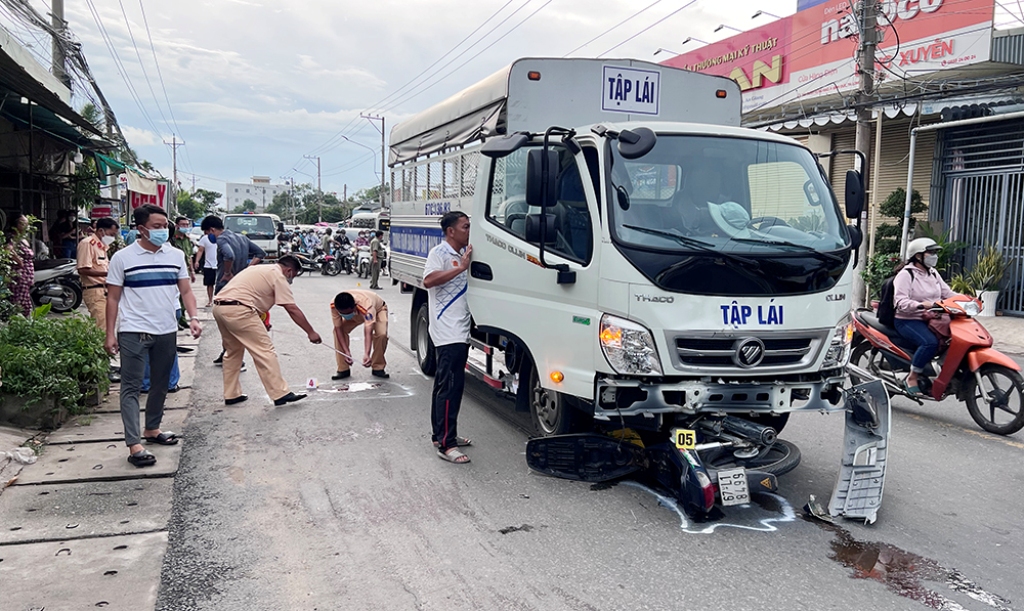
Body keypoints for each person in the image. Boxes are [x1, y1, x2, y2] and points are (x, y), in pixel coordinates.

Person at [105, 204, 202, 468]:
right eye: (157, 227)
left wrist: (193, 318)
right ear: (141, 229)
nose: (163, 231)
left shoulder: (174, 256)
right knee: (132, 387)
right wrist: (109, 333)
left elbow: (187, 291)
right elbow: (113, 298)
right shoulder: (123, 258)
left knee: (161, 383)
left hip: (166, 330)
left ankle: (152, 429)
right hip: (133, 331)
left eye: (165, 227)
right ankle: (134, 443)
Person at [212, 255, 322, 406]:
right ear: (289, 270)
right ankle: (280, 393)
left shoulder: (260, 269)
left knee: (233, 351)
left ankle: (231, 394)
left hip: (219, 307)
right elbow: (291, 308)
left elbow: (250, 294)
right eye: (293, 276)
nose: (291, 280)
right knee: (264, 351)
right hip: (240, 310)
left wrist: (261, 321)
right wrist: (311, 332)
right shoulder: (278, 276)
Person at [423, 211, 474, 464]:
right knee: (451, 387)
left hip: (460, 329)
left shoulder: (463, 253)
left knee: (444, 385)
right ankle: (447, 445)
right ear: (451, 231)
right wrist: (461, 268)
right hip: (448, 331)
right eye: (465, 227)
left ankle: (440, 435)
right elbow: (429, 280)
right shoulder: (440, 253)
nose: (469, 230)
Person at [894, 237, 959, 393]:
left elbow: (947, 293)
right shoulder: (906, 275)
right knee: (930, 343)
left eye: (935, 252)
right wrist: (921, 305)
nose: (934, 256)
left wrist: (965, 300)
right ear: (918, 256)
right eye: (930, 252)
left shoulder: (933, 273)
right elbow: (900, 301)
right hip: (908, 319)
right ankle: (912, 377)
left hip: (932, 318)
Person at [201, 215, 265, 366]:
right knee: (231, 322)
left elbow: (229, 254)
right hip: (241, 285)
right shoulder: (241, 238)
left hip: (226, 286)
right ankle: (227, 352)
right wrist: (248, 269)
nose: (208, 237)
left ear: (211, 230)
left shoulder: (222, 239)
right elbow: (261, 253)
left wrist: (228, 273)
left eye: (206, 233)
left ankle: (234, 356)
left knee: (227, 323)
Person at [330, 290, 389, 380]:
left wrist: (366, 354)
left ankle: (378, 366)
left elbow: (368, 332)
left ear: (354, 307)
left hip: (378, 310)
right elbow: (338, 329)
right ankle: (343, 368)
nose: (345, 316)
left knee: (381, 334)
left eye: (347, 313)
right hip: (356, 313)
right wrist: (346, 352)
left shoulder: (367, 307)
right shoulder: (334, 305)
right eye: (343, 314)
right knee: (337, 332)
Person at [76, 217, 119, 328]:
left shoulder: (101, 247)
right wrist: (108, 274)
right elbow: (82, 269)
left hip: (105, 290)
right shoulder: (87, 244)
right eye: (111, 234)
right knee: (101, 325)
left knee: (105, 324)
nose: (113, 237)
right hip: (94, 290)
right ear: (101, 231)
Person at [4, 213, 34, 316]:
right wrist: (19, 261)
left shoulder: (23, 239)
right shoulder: (13, 238)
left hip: (26, 278)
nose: (26, 226)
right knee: (19, 303)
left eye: (26, 223)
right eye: (22, 223)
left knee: (24, 301)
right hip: (19, 277)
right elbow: (8, 249)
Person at [194, 225, 218, 307]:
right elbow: (200, 250)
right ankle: (210, 300)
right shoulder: (204, 239)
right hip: (209, 265)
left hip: (219, 265)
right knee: (209, 284)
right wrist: (197, 261)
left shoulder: (221, 238)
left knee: (220, 284)